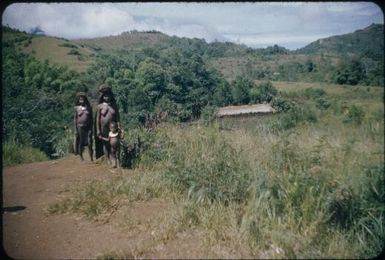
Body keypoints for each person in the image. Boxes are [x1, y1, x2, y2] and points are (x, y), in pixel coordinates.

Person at [95, 84, 120, 161]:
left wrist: (119, 126)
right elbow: (97, 119)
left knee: (113, 142)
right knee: (105, 143)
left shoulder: (114, 105)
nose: (107, 98)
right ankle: (107, 158)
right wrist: (98, 130)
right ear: (102, 97)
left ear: (111, 96)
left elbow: (118, 117)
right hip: (103, 128)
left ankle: (114, 158)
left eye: (108, 96)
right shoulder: (100, 106)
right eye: (105, 96)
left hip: (113, 127)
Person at [74, 92, 93, 162]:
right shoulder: (76, 108)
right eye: (80, 99)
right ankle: (81, 158)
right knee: (81, 143)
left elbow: (91, 119)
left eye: (83, 99)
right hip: (80, 128)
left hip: (88, 128)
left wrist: (91, 129)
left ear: (85, 100)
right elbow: (75, 119)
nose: (81, 100)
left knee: (90, 143)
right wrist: (75, 130)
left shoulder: (89, 108)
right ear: (78, 100)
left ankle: (91, 159)